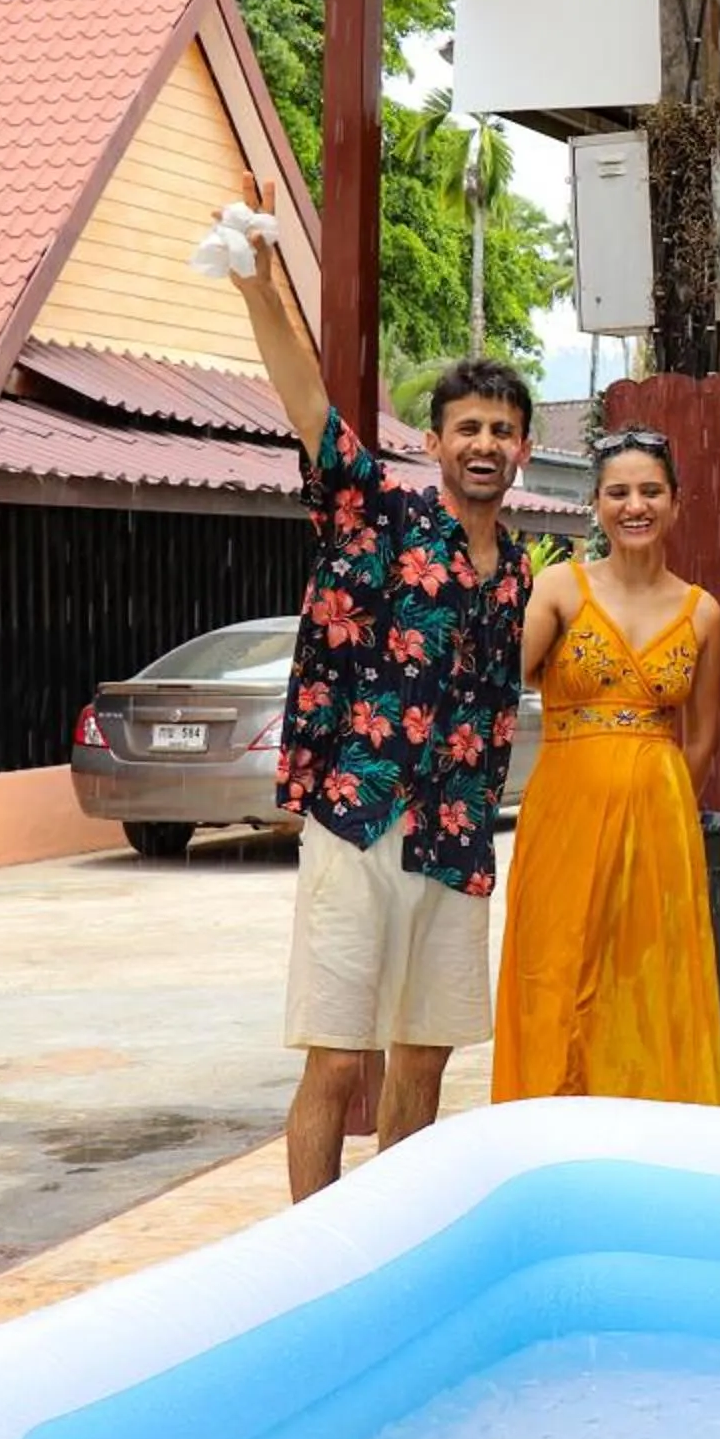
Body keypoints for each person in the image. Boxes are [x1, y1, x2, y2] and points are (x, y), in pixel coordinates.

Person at [211, 186, 532, 1197]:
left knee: (426, 1053)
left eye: (504, 428)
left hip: (458, 831)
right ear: (433, 441)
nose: (485, 442)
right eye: (468, 425)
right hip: (360, 815)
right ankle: (317, 1252)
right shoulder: (376, 512)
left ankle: (390, 1238)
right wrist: (262, 289)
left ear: (522, 447)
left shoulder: (517, 566)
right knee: (340, 1057)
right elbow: (308, 405)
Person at [493, 430, 720, 1105]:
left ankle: (655, 1137)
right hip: (565, 806)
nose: (636, 505)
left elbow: (705, 736)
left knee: (651, 980)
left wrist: (661, 808)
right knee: (556, 970)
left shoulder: (701, 610)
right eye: (619, 492)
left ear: (676, 504)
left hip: (660, 820)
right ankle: (547, 1128)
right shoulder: (561, 588)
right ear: (596, 504)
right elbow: (500, 677)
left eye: (651, 491)